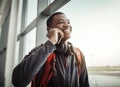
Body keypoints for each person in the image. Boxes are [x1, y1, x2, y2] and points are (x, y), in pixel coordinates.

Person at [12, 12, 89, 87]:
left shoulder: (78, 54)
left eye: (68, 22)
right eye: (61, 22)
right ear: (50, 29)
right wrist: (51, 43)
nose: (67, 25)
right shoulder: (41, 52)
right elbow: (18, 81)